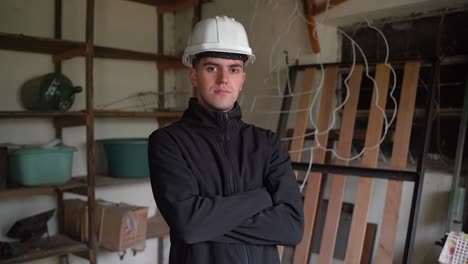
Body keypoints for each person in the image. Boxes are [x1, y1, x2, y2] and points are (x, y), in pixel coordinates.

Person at [148, 16, 304, 264]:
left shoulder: (268, 144)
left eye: (233, 69)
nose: (223, 79)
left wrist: (209, 220)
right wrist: (263, 197)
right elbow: (190, 226)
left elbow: (292, 228)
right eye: (212, 67)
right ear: (194, 75)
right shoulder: (168, 142)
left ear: (242, 79)